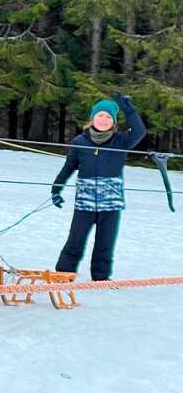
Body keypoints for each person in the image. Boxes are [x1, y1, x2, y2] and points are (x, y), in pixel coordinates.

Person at [52, 93, 146, 281]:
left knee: (105, 244)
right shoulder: (80, 142)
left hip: (111, 204)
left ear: (113, 122)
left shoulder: (121, 141)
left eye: (108, 117)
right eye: (100, 115)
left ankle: (101, 278)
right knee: (75, 241)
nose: (103, 120)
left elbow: (139, 131)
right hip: (84, 203)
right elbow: (69, 167)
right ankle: (63, 274)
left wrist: (128, 109)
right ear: (92, 118)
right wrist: (56, 189)